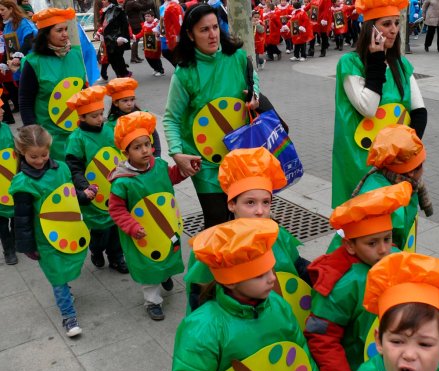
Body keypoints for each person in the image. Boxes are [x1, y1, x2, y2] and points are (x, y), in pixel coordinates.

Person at [171, 218, 324, 371]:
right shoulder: (202, 328)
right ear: (231, 283)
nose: (272, 279)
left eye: (271, 269)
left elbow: (300, 349)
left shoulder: (278, 304)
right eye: (260, 275)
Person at [305, 182, 412, 371]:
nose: (383, 250)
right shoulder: (343, 284)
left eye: (387, 239)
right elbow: (321, 333)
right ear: (350, 246)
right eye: (372, 243)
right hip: (356, 369)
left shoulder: (396, 258)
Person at [163, 4, 259, 229]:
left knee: (247, 218)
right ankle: (214, 263)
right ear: (190, 34)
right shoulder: (185, 72)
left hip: (241, 153)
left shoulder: (237, 57)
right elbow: (171, 118)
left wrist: (255, 97)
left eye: (215, 27)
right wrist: (176, 152)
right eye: (204, 30)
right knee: (216, 220)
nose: (213, 34)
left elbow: (253, 83)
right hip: (205, 162)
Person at [185, 147, 311, 317]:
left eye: (266, 202)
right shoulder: (214, 246)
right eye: (250, 203)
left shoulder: (278, 234)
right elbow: (198, 297)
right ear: (232, 204)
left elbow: (298, 267)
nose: (260, 211)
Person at [331, 0, 427, 209]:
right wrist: (376, 62)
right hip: (362, 162)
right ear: (370, 29)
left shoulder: (401, 65)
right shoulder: (350, 64)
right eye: (386, 24)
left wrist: (405, 156)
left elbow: (419, 112)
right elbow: (368, 108)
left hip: (396, 165)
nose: (394, 30)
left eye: (396, 23)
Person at [108, 111, 198, 320]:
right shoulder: (123, 181)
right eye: (137, 147)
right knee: (148, 268)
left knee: (167, 253)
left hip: (165, 226)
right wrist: (131, 226)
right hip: (142, 234)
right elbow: (116, 209)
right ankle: (152, 301)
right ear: (126, 152)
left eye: (146, 144)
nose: (145, 150)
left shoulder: (159, 165)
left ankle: (165, 274)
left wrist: (184, 170)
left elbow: (171, 178)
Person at [11, 125, 95, 337]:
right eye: (33, 157)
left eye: (44, 155)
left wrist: (85, 194)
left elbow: (69, 195)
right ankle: (69, 316)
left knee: (65, 269)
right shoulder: (23, 183)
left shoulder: (61, 169)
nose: (40, 161)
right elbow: (21, 218)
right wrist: (28, 246)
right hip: (44, 240)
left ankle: (65, 292)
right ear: (22, 153)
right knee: (57, 276)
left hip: (67, 231)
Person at [328, 125, 430, 253]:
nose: (423, 170)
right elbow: (382, 247)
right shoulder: (387, 196)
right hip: (357, 264)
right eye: (421, 165)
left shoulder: (389, 178)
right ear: (410, 172)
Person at [64, 86, 128, 275]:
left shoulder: (109, 129)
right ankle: (96, 249)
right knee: (100, 229)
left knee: (116, 226)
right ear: (82, 118)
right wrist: (85, 188)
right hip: (94, 192)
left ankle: (116, 257)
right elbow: (74, 168)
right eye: (94, 116)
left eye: (101, 114)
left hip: (114, 188)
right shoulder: (76, 138)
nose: (100, 119)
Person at [18, 8, 86, 161]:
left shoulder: (76, 54)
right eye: (59, 30)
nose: (65, 34)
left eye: (66, 29)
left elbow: (83, 90)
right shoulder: (33, 62)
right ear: (46, 34)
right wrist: (35, 135)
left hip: (79, 132)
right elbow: (25, 100)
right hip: (50, 137)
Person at [104, 77, 161, 157]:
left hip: (147, 158)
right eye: (125, 100)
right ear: (115, 103)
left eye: (132, 99)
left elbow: (154, 137)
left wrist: (157, 156)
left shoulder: (142, 117)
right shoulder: (111, 125)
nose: (129, 103)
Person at [0, 89, 17, 265]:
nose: (3, 109)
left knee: (16, 216)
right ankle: (8, 250)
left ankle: (15, 241)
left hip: (11, 181)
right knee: (2, 221)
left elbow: (15, 149)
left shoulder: (4, 128)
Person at [100, 0, 132, 78]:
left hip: (118, 38)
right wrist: (100, 34)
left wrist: (122, 37)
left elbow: (124, 24)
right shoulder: (106, 10)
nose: (102, 1)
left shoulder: (118, 10)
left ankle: (123, 74)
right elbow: (104, 25)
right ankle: (121, 74)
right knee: (111, 58)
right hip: (108, 39)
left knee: (117, 57)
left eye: (104, 0)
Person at [133, 9, 165, 76]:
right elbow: (142, 33)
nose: (147, 17)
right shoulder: (145, 24)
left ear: (153, 17)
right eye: (145, 16)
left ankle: (160, 70)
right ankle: (155, 69)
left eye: (148, 16)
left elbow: (161, 31)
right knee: (148, 57)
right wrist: (135, 36)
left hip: (156, 43)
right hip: (148, 43)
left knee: (156, 58)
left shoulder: (156, 24)